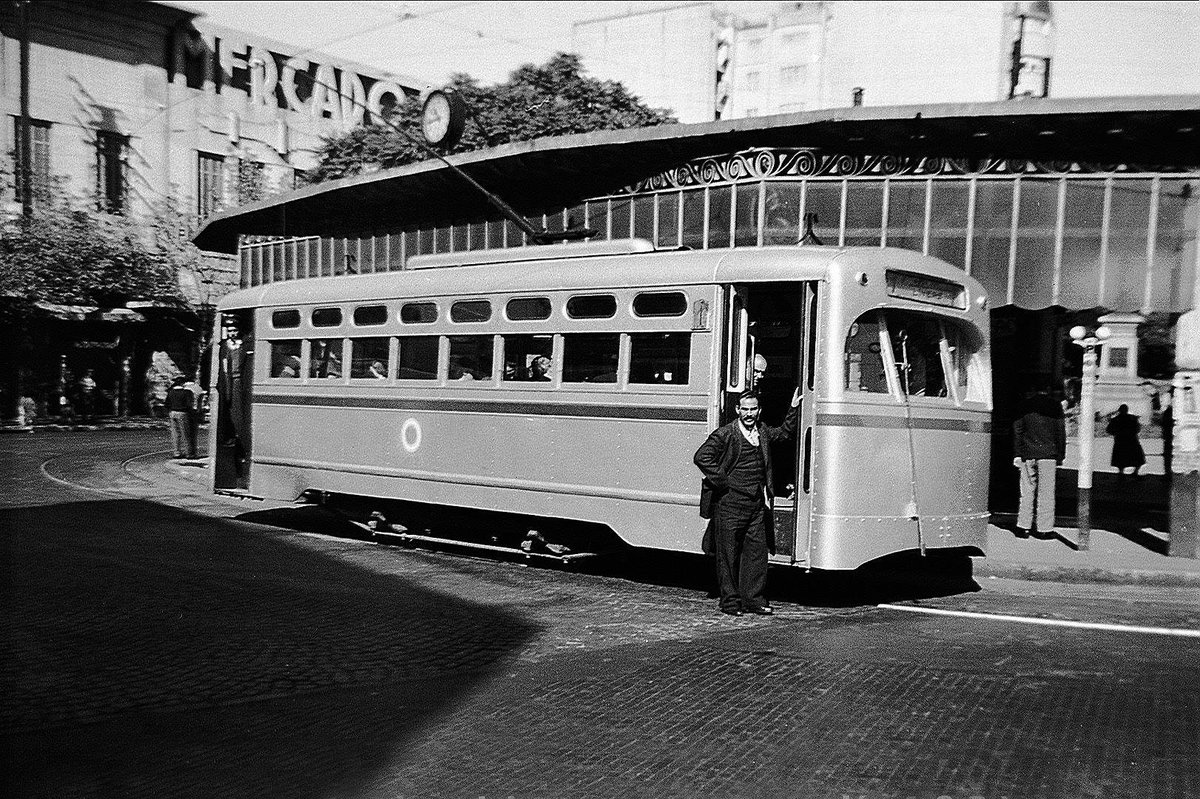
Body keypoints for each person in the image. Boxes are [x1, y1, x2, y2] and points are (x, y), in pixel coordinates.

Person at [694, 387, 801, 616]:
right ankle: (730, 602)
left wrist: (793, 408)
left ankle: (754, 600)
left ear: (759, 410)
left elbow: (784, 433)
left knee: (756, 554)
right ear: (737, 410)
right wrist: (723, 481)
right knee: (728, 556)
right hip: (730, 504)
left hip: (755, 505)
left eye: (753, 409)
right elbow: (701, 456)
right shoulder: (726, 434)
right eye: (745, 409)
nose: (749, 413)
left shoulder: (762, 431)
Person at [1012, 387, 1066, 539]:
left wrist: (1017, 453)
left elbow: (1017, 430)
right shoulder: (1055, 406)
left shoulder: (1024, 405)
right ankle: (1044, 529)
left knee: (1027, 492)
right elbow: (1060, 432)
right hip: (1048, 455)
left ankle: (1023, 527)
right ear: (1048, 390)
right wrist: (1060, 454)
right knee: (1046, 494)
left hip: (1027, 454)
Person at [1106, 404, 1146, 477]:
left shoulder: (1116, 419)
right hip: (1132, 440)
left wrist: (1117, 432)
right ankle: (1135, 472)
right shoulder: (1132, 418)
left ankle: (1121, 473)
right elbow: (1137, 429)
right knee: (1138, 457)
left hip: (1120, 441)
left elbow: (1109, 430)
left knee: (1121, 458)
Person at [166, 375, 197, 459]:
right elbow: (189, 404)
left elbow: (167, 403)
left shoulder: (171, 392)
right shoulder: (186, 392)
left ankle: (177, 452)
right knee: (186, 434)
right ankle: (189, 453)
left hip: (172, 412)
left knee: (175, 434)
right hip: (182, 413)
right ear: (182, 383)